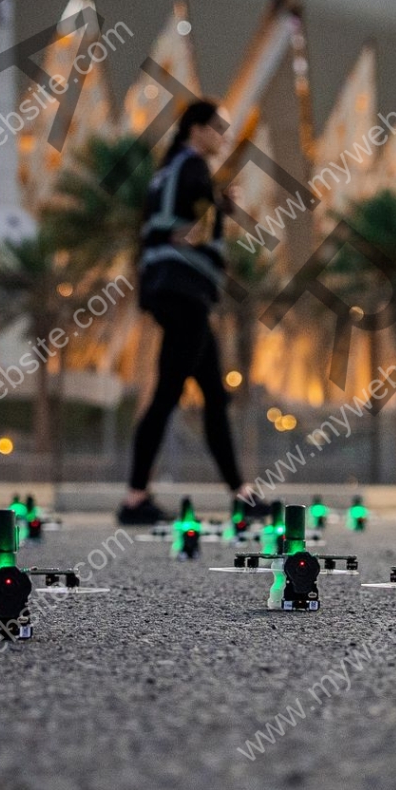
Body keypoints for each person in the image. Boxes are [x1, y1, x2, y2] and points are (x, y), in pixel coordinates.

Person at [118, 100, 264, 525]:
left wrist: (213, 206)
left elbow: (161, 225)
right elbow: (194, 225)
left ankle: (242, 494)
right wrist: (221, 207)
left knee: (214, 396)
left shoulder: (166, 172)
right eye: (217, 128)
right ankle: (134, 499)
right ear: (195, 129)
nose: (222, 136)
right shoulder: (194, 167)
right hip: (184, 291)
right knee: (167, 394)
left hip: (171, 290)